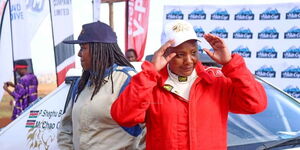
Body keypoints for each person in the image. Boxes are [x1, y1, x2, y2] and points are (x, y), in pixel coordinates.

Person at [111, 20, 267, 149]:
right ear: (165, 53)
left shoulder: (215, 81)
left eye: (193, 52)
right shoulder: (151, 85)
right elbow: (124, 116)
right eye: (180, 54)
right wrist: (149, 73)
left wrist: (231, 64)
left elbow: (255, 104)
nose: (189, 60)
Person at [57, 21, 145, 150]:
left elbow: (149, 130)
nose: (79, 54)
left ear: (98, 48)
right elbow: (66, 128)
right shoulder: (82, 83)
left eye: (83, 48)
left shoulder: (126, 81)